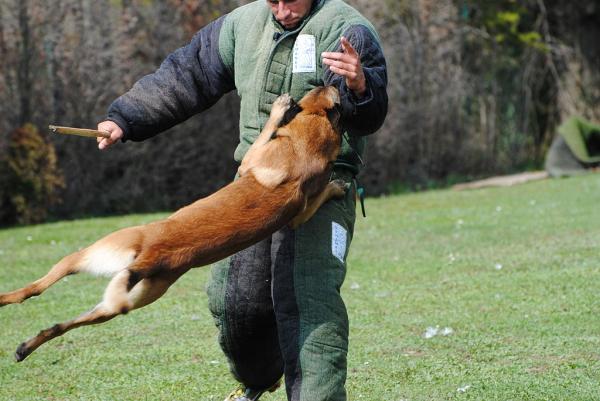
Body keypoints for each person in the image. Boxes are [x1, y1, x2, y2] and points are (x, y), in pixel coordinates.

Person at [97, 0, 387, 400]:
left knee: (309, 303)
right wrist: (125, 118)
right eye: (274, 0)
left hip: (320, 182)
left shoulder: (345, 28)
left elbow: (369, 114)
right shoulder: (242, 25)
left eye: (292, 0)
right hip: (255, 182)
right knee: (236, 305)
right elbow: (188, 75)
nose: (282, 9)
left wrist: (360, 86)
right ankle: (262, 377)